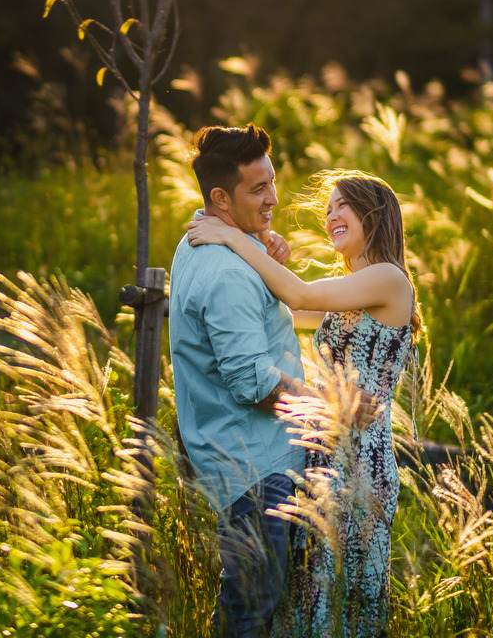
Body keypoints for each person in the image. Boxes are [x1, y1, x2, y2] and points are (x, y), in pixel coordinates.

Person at [186, 168, 422, 638]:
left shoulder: (389, 279)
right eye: (328, 208)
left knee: (344, 596)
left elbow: (299, 292)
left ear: (374, 214)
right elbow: (288, 309)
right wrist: (270, 251)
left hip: (360, 458)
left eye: (343, 206)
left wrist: (233, 240)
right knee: (312, 590)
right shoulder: (354, 288)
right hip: (324, 454)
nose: (331, 216)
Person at [169, 123, 317, 638]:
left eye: (271, 183)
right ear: (220, 198)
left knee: (254, 606)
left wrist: (254, 242)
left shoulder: (198, 239)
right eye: (258, 189)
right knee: (251, 611)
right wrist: (326, 408)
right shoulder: (226, 270)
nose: (274, 198)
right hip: (256, 466)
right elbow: (250, 380)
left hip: (242, 456)